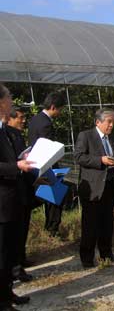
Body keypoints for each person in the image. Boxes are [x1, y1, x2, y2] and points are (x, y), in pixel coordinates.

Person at [74, 108, 114, 268]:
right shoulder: (86, 136)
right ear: (98, 122)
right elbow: (79, 157)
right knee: (90, 224)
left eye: (113, 122)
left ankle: (106, 253)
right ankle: (87, 258)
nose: (111, 125)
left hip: (109, 186)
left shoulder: (112, 139)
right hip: (93, 187)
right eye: (108, 122)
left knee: (107, 222)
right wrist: (100, 160)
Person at [0, 84, 34, 311]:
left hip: (13, 199)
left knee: (11, 252)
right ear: (1, 102)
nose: (12, 100)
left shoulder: (5, 130)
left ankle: (8, 292)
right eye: (9, 97)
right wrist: (16, 166)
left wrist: (24, 158)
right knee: (1, 255)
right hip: (1, 201)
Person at [28, 92, 66, 237]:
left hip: (37, 164)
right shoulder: (45, 124)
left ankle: (49, 228)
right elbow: (47, 148)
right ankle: (52, 230)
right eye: (60, 109)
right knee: (56, 199)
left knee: (50, 199)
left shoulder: (35, 119)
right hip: (46, 166)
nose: (60, 112)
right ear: (53, 107)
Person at [7, 107, 34, 282]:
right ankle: (15, 268)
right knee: (12, 234)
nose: (23, 121)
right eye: (20, 118)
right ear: (9, 118)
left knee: (22, 228)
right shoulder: (6, 135)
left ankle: (20, 261)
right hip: (10, 191)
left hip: (22, 189)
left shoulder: (16, 135)